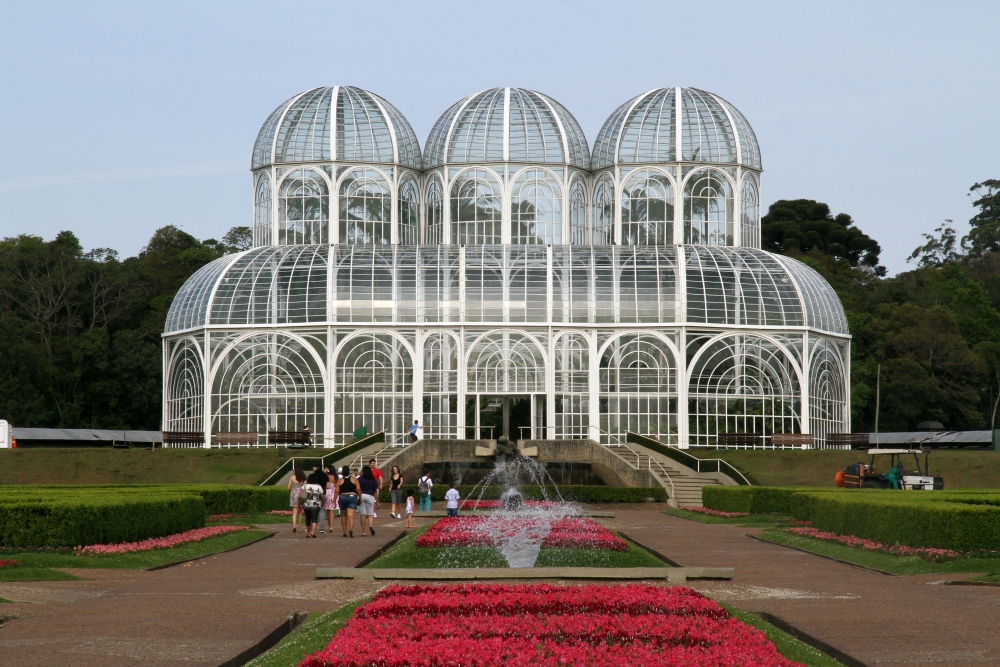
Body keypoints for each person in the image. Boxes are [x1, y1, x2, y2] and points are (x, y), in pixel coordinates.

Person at [301, 471, 325, 538]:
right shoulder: (318, 486)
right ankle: (313, 532)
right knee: (315, 518)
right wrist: (323, 503)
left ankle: (308, 533)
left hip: (307, 504)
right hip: (316, 505)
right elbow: (322, 496)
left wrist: (299, 503)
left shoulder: (305, 486)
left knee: (308, 518)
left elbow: (301, 494)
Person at [337, 465, 359, 537]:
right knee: (351, 515)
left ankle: (345, 532)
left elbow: (337, 491)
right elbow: (358, 489)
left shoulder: (340, 480)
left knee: (343, 515)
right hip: (352, 497)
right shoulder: (354, 479)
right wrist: (360, 497)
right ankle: (351, 529)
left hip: (342, 496)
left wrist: (334, 500)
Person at [358, 465, 379, 536]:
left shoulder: (360, 479)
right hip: (370, 496)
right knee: (370, 513)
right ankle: (370, 525)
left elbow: (357, 489)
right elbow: (375, 492)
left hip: (362, 496)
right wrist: (377, 502)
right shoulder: (373, 480)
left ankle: (364, 532)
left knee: (362, 515)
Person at [287, 467, 306, 533]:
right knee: (300, 512)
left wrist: (293, 489)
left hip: (294, 494)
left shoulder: (292, 477)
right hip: (301, 494)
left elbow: (288, 487)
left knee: (294, 512)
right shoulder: (303, 478)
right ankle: (300, 527)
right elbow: (305, 487)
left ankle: (294, 526)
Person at [312, 463, 330, 532]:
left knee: (312, 511)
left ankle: (311, 527)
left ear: (317, 467)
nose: (313, 468)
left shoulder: (312, 476)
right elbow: (327, 486)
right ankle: (321, 528)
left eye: (314, 466)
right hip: (323, 493)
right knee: (322, 511)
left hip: (313, 495)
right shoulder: (325, 476)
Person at [323, 466, 338, 534]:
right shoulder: (335, 477)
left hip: (328, 493)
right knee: (332, 511)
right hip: (334, 493)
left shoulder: (327, 476)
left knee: (328, 511)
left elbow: (327, 485)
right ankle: (331, 526)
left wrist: (324, 472)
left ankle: (329, 526)